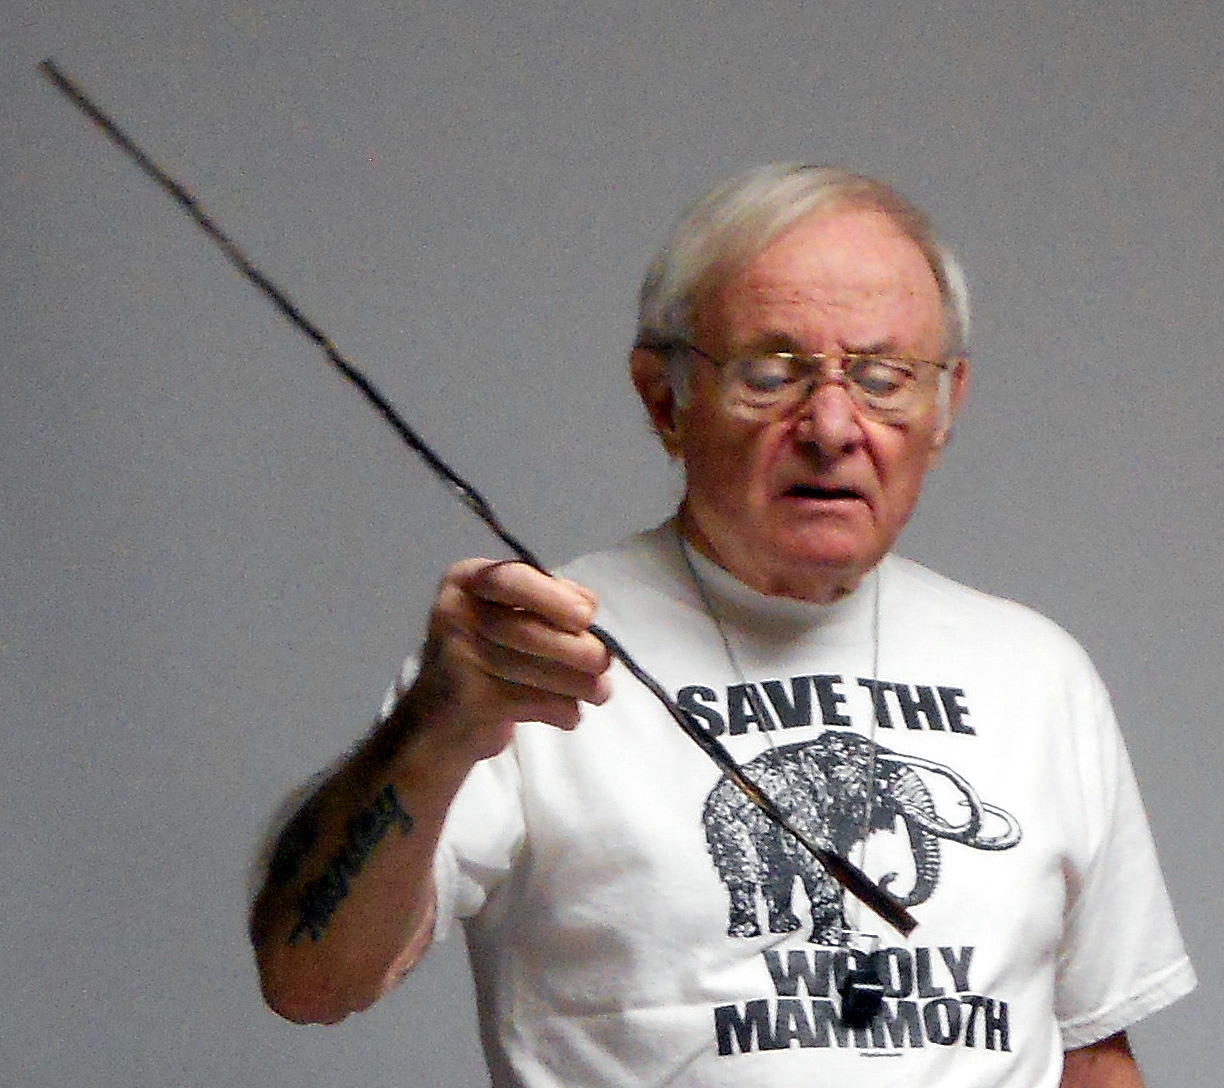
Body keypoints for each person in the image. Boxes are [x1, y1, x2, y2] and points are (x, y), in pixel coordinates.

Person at [249, 165, 1195, 1086]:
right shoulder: (525, 656)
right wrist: (431, 730)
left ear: (945, 406)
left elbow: (1091, 1055)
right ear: (665, 399)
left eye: (882, 378)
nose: (832, 427)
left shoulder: (1037, 676)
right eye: (770, 373)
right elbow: (309, 978)